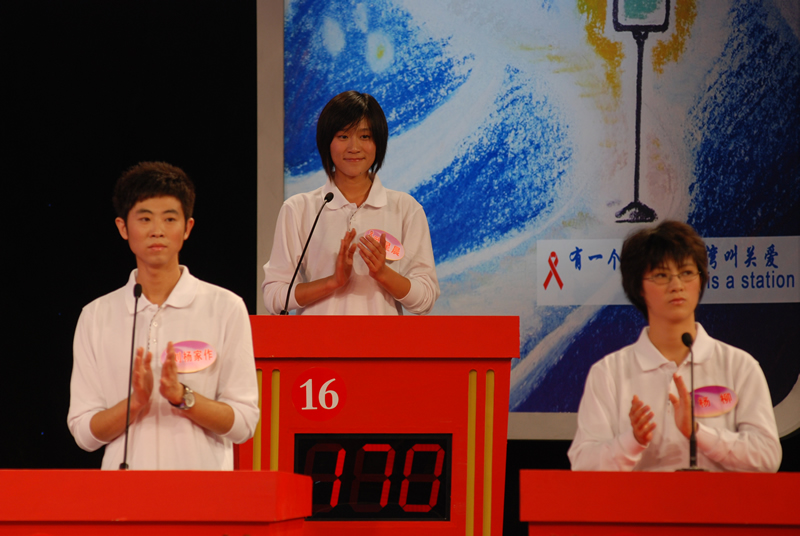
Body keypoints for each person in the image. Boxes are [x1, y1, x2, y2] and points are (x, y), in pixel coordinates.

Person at [67, 162, 259, 470]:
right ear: (123, 227)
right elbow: (84, 433)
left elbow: (244, 423)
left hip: (202, 493)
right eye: (145, 218)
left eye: (169, 218)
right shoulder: (96, 315)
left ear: (187, 227)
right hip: (123, 494)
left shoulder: (225, 307)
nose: (157, 230)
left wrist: (182, 396)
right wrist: (135, 403)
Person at [568, 221, 781, 472]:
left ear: (701, 280)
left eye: (687, 273)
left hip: (719, 499)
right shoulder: (608, 373)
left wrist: (698, 432)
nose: (677, 285)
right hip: (638, 499)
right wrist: (633, 441)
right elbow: (583, 465)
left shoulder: (739, 366)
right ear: (638, 287)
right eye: (661, 275)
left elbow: (767, 457)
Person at [262, 91, 439, 315]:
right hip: (318, 339)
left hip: (382, 339)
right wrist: (333, 282)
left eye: (364, 136)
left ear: (378, 142)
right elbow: (275, 296)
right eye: (343, 136)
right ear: (327, 142)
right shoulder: (298, 209)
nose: (354, 147)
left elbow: (425, 299)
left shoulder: (406, 209)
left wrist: (383, 274)